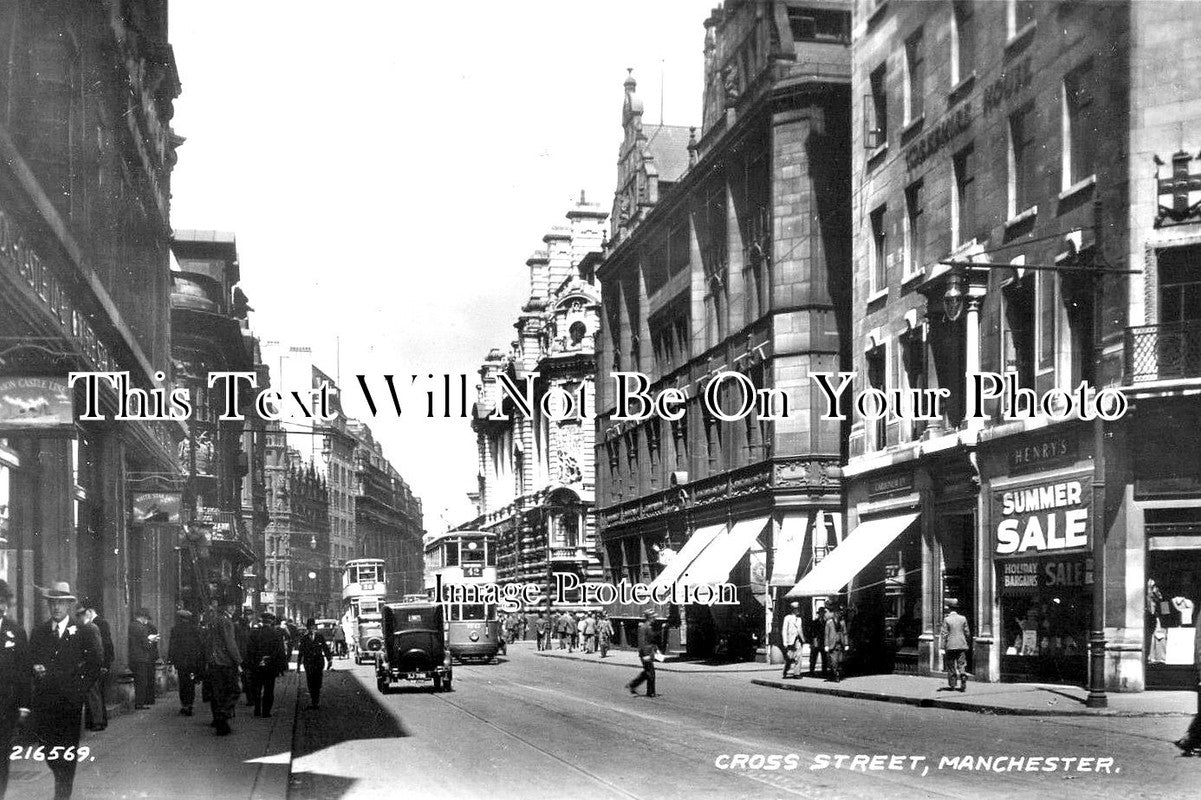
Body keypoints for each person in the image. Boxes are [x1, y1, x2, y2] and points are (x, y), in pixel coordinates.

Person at [29, 581, 101, 800]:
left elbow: (95, 663)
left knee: (67, 752)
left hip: (70, 703)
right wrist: (35, 668)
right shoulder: (39, 632)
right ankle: (60, 779)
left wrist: (79, 690)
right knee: (49, 751)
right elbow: (30, 660)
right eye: (53, 603)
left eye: (61, 603)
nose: (56, 608)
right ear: (49, 606)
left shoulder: (83, 631)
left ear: (69, 606)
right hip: (45, 703)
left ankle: (62, 794)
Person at [0, 579, 30, 800]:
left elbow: (23, 671)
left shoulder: (16, 632)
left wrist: (24, 705)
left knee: (1, 758)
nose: (1, 606)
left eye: (3, 602)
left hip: (5, 706)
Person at [205, 599, 241, 736]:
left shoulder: (214, 619)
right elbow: (230, 643)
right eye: (230, 605)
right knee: (234, 690)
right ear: (225, 607)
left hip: (214, 662)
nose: (233, 608)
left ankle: (220, 723)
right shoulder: (226, 621)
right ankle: (222, 715)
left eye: (234, 605)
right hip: (225, 661)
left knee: (218, 693)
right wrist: (238, 661)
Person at [77, 600, 113, 730]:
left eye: (79, 616)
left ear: (84, 615)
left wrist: (100, 664)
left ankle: (98, 722)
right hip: (92, 665)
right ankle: (97, 721)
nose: (78, 619)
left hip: (92, 665)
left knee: (94, 694)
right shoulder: (89, 627)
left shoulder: (90, 628)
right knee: (94, 694)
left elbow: (98, 648)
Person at [247, 612, 288, 718]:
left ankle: (257, 710)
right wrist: (282, 667)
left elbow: (250, 650)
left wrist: (252, 663)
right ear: (271, 622)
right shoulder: (276, 634)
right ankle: (266, 712)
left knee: (257, 688)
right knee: (269, 690)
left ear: (262, 621)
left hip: (257, 665)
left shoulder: (254, 633)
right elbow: (280, 651)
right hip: (271, 666)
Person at [167, 609, 203, 716]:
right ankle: (190, 704)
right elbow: (199, 646)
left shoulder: (175, 629)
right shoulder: (195, 629)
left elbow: (172, 646)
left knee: (182, 683)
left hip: (181, 662)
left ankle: (184, 705)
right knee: (191, 684)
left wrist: (171, 660)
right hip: (192, 662)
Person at [297, 618, 333, 710]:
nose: (311, 629)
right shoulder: (304, 638)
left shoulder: (319, 636)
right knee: (310, 682)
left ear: (315, 627)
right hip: (308, 663)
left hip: (318, 662)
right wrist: (298, 666)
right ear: (307, 628)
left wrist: (329, 660)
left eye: (313, 627)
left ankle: (316, 700)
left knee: (318, 682)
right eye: (310, 627)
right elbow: (301, 652)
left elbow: (325, 648)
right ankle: (314, 702)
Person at [128, 608, 157, 709]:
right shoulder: (142, 628)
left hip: (132, 657)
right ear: (143, 617)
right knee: (142, 681)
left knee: (137, 680)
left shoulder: (131, 626)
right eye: (146, 618)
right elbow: (146, 645)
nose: (147, 621)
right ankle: (139, 703)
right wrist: (151, 640)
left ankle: (137, 702)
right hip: (142, 658)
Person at [941, 598, 971, 692]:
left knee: (951, 666)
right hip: (961, 645)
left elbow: (944, 634)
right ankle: (962, 675)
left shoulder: (947, 619)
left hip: (950, 646)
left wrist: (942, 646)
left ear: (949, 609)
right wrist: (966, 641)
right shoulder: (963, 618)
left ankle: (953, 685)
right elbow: (967, 632)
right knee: (961, 663)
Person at [627, 609, 659, 697]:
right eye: (653, 617)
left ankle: (632, 685)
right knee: (651, 673)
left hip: (649, 652)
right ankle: (650, 692)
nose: (655, 618)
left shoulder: (649, 627)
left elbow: (651, 641)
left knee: (647, 672)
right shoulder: (643, 627)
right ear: (650, 618)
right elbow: (641, 642)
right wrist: (645, 655)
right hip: (645, 653)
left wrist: (655, 649)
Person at [780, 601, 804, 679]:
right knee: (789, 657)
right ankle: (785, 671)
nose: (798, 610)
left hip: (798, 640)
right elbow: (784, 630)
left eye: (798, 608)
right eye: (796, 609)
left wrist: (803, 639)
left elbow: (800, 629)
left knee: (799, 656)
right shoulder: (787, 618)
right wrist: (785, 641)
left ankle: (797, 673)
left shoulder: (799, 619)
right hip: (790, 640)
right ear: (793, 610)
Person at [824, 606, 847, 683]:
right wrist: (826, 645)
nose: (839, 614)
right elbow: (826, 634)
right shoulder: (829, 622)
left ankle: (838, 674)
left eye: (840, 612)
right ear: (834, 613)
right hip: (832, 645)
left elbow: (845, 633)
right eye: (837, 612)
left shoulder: (842, 622)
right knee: (834, 662)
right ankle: (836, 675)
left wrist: (846, 643)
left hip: (840, 644)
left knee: (840, 661)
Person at [234, 613, 252, 706]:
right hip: (246, 657)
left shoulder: (236, 629)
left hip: (237, 656)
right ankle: (250, 698)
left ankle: (234, 699)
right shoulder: (248, 630)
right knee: (247, 677)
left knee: (236, 678)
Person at [808, 607, 828, 678]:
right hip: (816, 641)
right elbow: (811, 633)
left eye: (823, 613)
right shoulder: (814, 622)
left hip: (823, 642)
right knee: (813, 658)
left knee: (824, 658)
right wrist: (811, 642)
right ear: (819, 614)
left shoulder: (826, 622)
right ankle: (811, 671)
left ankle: (824, 672)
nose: (822, 614)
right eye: (821, 613)